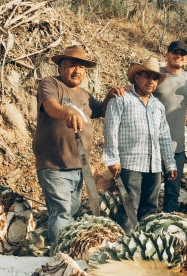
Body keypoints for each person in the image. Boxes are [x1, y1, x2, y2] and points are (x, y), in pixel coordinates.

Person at [33, 45, 124, 243]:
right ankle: (57, 261)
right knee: (62, 212)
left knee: (71, 212)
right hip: (54, 164)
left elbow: (101, 110)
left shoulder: (84, 95)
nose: (77, 70)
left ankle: (63, 253)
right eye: (73, 65)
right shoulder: (51, 84)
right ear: (60, 67)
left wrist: (110, 96)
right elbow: (51, 107)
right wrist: (67, 112)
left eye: (82, 67)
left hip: (78, 166)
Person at [103, 57, 177, 233]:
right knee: (130, 206)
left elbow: (164, 137)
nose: (151, 81)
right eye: (146, 76)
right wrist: (112, 158)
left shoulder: (158, 106)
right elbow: (110, 129)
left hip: (154, 165)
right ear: (136, 77)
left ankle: (144, 244)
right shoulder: (121, 99)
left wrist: (170, 164)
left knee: (150, 207)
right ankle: (124, 246)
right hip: (131, 163)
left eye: (155, 78)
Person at [153, 41, 187, 213]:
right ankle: (145, 224)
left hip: (177, 146)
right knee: (151, 190)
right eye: (175, 53)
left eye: (182, 54)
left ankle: (168, 225)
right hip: (153, 144)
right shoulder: (156, 74)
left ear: (186, 58)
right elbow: (140, 91)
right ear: (167, 54)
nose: (179, 56)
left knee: (173, 190)